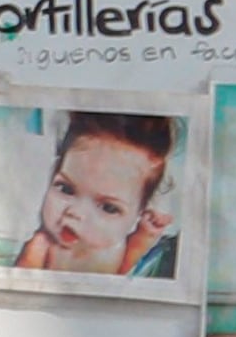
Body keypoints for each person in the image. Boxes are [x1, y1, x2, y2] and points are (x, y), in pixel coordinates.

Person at [12, 110, 178, 278]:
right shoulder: (41, 246)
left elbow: (121, 271)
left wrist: (144, 236)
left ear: (138, 215)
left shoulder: (115, 248)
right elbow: (20, 288)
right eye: (66, 189)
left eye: (108, 207)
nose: (75, 213)